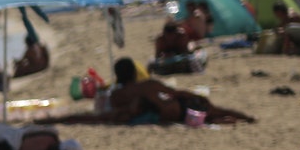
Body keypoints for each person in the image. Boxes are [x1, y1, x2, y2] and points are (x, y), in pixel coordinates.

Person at [101, 57, 254, 125]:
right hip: (176, 109)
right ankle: (246, 117)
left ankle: (218, 119)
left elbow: (123, 113)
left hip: (169, 116)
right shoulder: (148, 85)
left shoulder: (115, 96)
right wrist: (197, 96)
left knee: (208, 114)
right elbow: (175, 93)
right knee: (214, 109)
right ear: (134, 72)